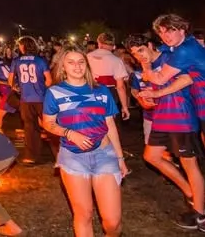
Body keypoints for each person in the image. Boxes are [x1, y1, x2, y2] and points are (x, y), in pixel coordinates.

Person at [142, 14, 205, 234]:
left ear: (182, 29)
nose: (166, 36)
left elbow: (159, 78)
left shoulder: (185, 50)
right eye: (162, 32)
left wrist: (146, 70)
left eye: (170, 30)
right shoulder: (188, 48)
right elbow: (188, 78)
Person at [42, 48, 128, 237]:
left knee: (113, 222)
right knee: (84, 214)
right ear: (63, 67)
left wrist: (120, 157)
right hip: (73, 158)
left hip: (105, 155)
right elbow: (47, 123)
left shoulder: (101, 90)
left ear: (87, 65)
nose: (77, 66)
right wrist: (69, 134)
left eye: (81, 62)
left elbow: (110, 125)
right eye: (71, 62)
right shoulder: (55, 93)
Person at [125, 35, 205, 225]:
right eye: (134, 53)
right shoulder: (143, 68)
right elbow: (150, 98)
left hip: (181, 116)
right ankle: (193, 192)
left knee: (189, 164)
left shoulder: (169, 58)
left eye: (141, 50)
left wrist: (156, 92)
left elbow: (187, 79)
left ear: (149, 45)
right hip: (161, 118)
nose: (139, 55)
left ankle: (201, 212)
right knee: (151, 156)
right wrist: (146, 100)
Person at [8, 36, 56, 165]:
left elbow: (10, 81)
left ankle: (31, 156)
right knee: (51, 126)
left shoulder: (16, 61)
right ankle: (60, 155)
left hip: (26, 99)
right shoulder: (40, 60)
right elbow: (49, 80)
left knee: (30, 128)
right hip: (41, 99)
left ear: (23, 46)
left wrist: (19, 87)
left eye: (20, 45)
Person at [86, 33, 131, 121]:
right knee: (109, 123)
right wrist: (125, 107)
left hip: (89, 92)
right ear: (113, 45)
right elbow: (120, 87)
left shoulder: (87, 57)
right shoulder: (116, 60)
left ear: (99, 42)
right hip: (110, 95)